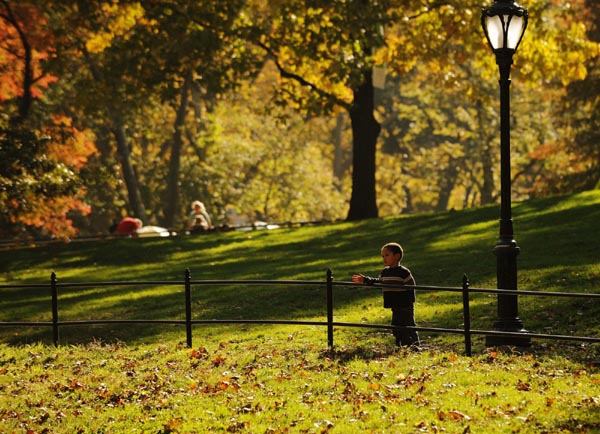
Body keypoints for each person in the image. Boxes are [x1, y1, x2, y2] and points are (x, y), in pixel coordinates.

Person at [352, 242, 420, 347]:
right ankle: (400, 344)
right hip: (394, 305)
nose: (384, 258)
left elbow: (411, 287)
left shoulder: (403, 272)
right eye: (383, 256)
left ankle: (414, 345)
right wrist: (365, 279)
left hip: (404, 304)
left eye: (387, 255)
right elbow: (378, 281)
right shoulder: (385, 272)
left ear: (397, 256)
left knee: (408, 325)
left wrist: (408, 301)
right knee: (396, 326)